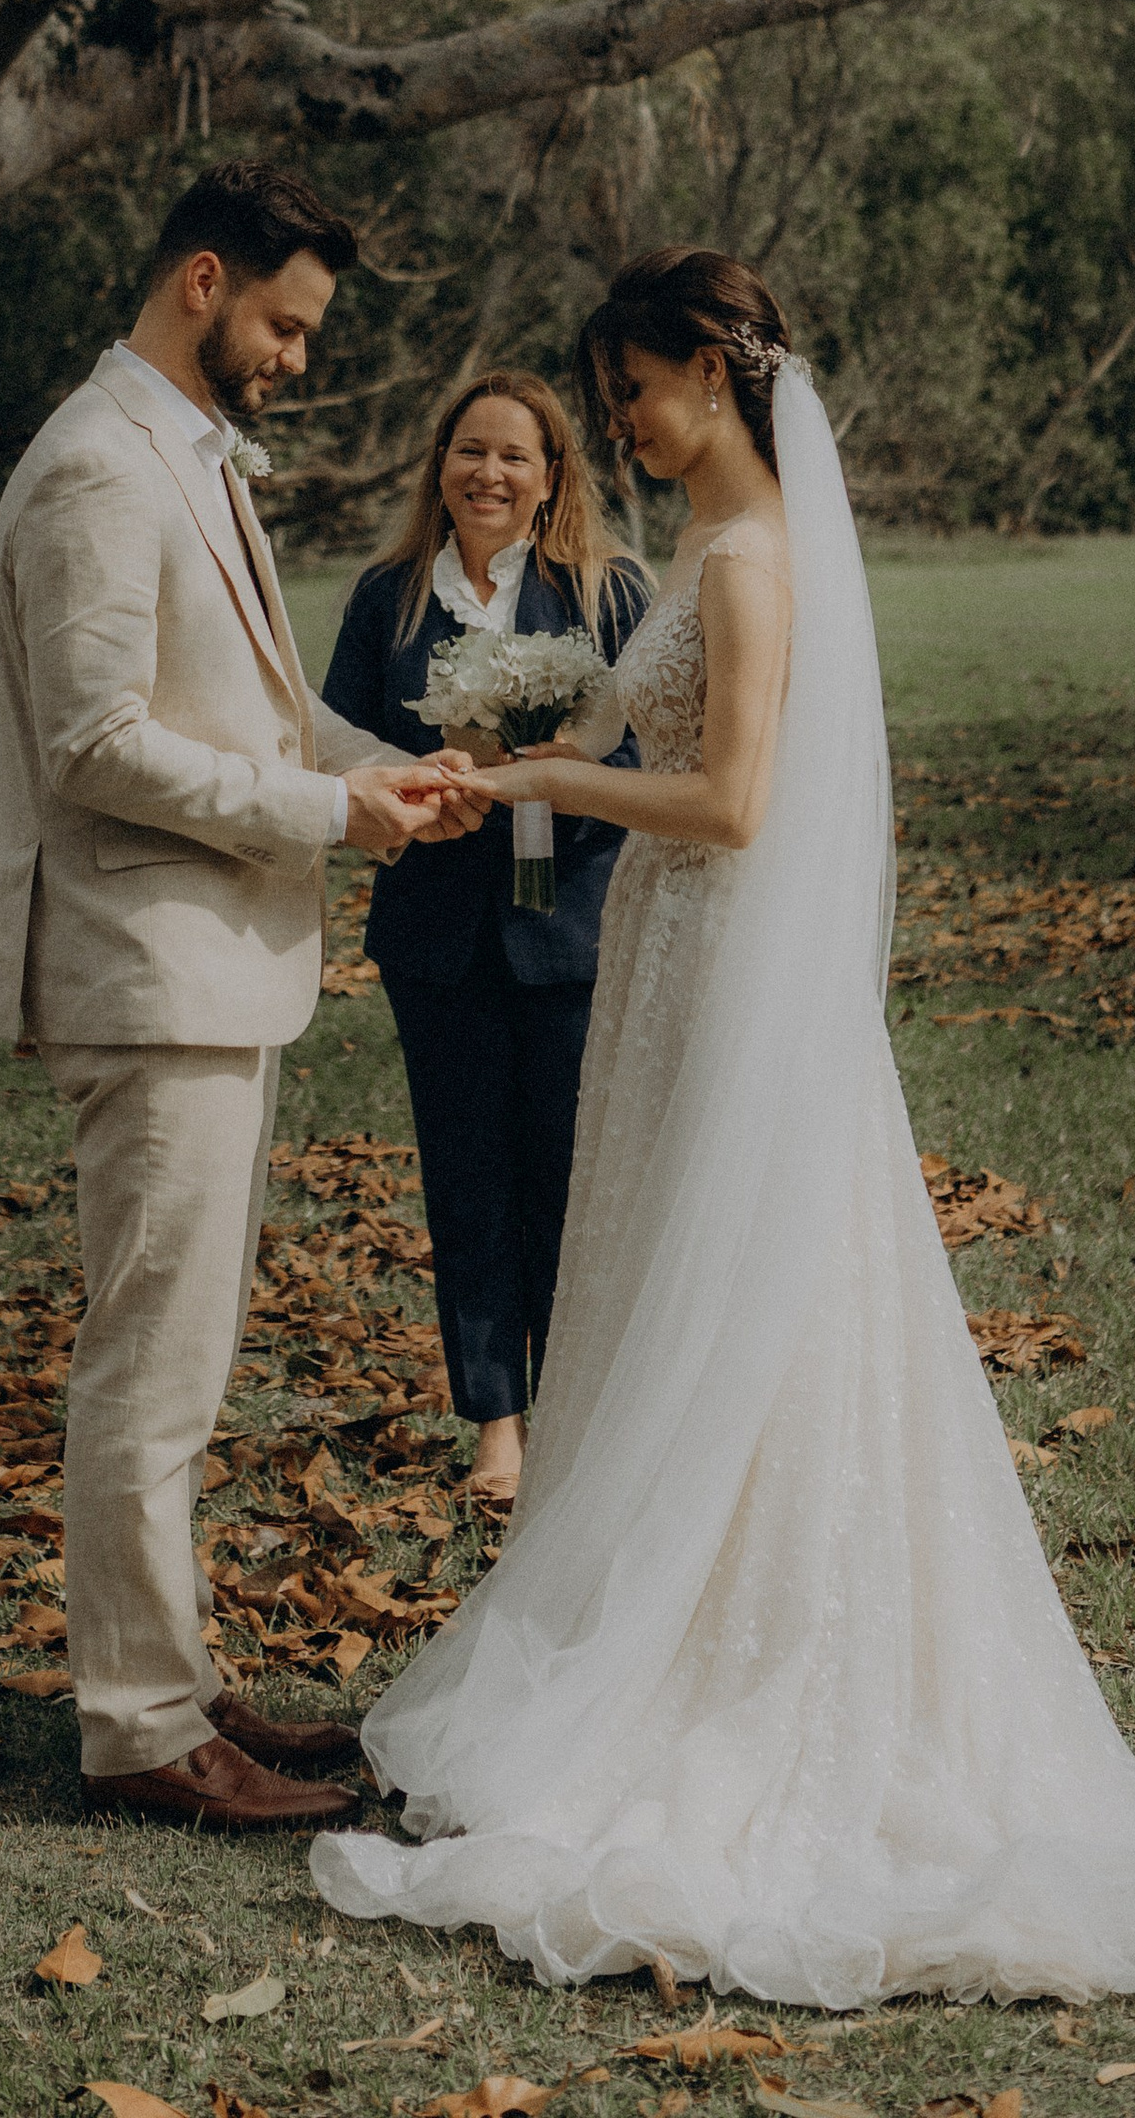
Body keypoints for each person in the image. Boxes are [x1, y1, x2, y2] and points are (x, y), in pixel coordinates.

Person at [310, 247, 1135, 2006]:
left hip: (724, 963)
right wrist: (480, 736)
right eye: (606, 399)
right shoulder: (696, 550)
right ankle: (658, 1602)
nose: (615, 422)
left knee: (756, 1285)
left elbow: (732, 800)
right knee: (653, 1276)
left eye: (631, 392)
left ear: (714, 370)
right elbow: (618, 703)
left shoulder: (757, 564)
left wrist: (538, 783)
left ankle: (750, 1645)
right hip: (665, 972)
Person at [0, 159, 486, 1838]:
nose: (298, 354)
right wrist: (331, 816)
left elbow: (254, 715)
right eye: (286, 320)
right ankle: (138, 1728)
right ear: (203, 281)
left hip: (210, 977)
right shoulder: (96, 471)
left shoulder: (182, 455)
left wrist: (398, 774)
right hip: (144, 978)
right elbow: (97, 745)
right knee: (151, 1364)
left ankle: (176, 1680)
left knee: (185, 1360)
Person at [323, 371, 650, 1506]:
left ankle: (574, 1407)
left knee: (566, 1177)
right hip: (438, 933)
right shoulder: (387, 598)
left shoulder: (608, 594)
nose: (489, 474)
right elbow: (342, 741)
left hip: (568, 929)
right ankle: (494, 1424)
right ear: (439, 467)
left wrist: (548, 778)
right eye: (470, 451)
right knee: (464, 1176)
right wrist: (422, 786)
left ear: (552, 476)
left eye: (514, 456)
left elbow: (651, 755)